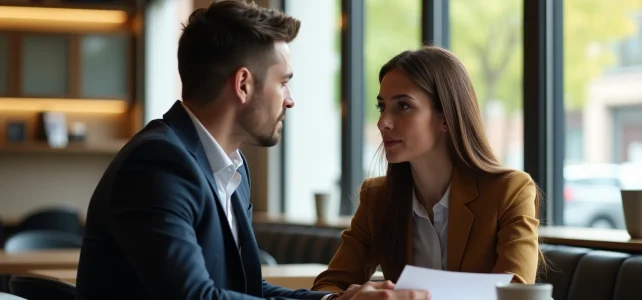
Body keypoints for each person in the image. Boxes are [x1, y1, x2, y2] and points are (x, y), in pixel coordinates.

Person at [75, 1, 431, 300]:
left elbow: (248, 288)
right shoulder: (158, 165)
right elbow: (194, 297)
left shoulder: (230, 167)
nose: (290, 101)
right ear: (243, 84)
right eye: (284, 82)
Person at [311, 45, 544, 293]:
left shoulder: (510, 190)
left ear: (445, 117)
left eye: (403, 106)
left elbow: (516, 292)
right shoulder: (377, 198)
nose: (382, 123)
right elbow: (327, 288)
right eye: (382, 107)